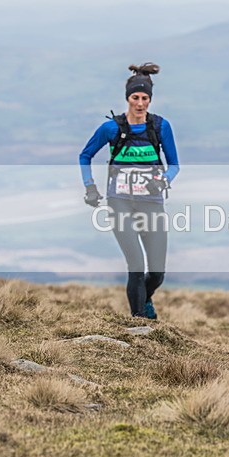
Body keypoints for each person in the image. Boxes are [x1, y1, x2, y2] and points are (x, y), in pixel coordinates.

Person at [79, 63, 180, 320]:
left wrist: (164, 180)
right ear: (127, 98)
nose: (140, 103)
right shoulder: (112, 128)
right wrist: (90, 187)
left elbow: (175, 165)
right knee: (135, 265)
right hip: (119, 202)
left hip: (152, 203)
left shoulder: (160, 127)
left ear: (150, 100)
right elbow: (85, 155)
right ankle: (139, 322)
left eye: (145, 98)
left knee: (157, 272)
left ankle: (144, 299)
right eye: (135, 97)